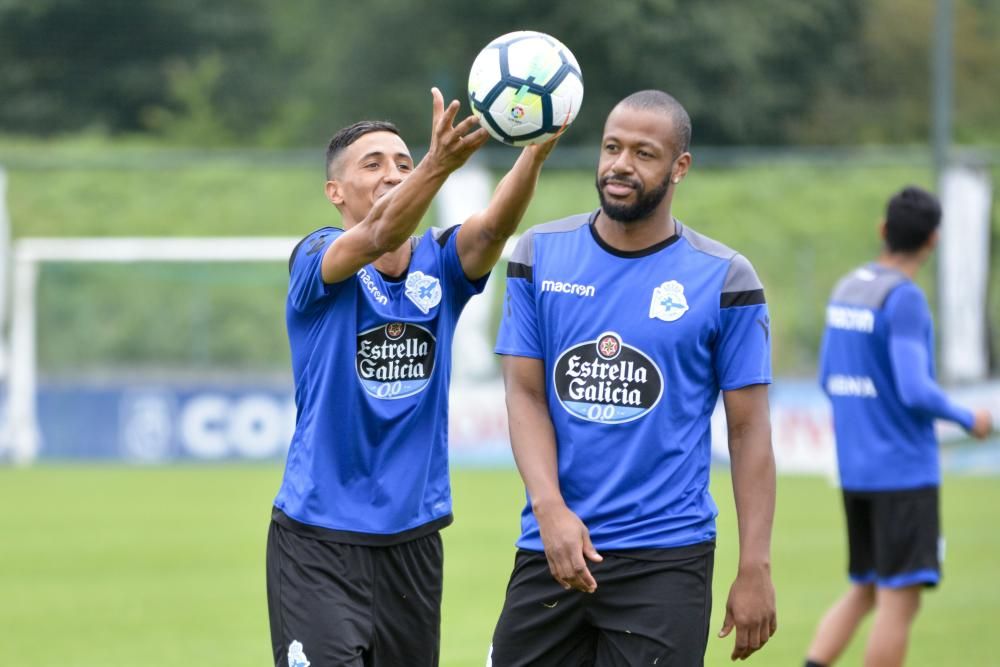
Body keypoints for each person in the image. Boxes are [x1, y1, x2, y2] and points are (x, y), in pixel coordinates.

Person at [266, 88, 556, 667]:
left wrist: (536, 149)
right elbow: (375, 236)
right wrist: (437, 164)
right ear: (335, 193)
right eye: (372, 165)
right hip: (318, 540)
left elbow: (496, 226)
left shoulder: (441, 264)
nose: (393, 173)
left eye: (403, 162)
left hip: (414, 543)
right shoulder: (316, 258)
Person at [488, 89, 777, 666]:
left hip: (666, 560)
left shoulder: (725, 279)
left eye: (644, 153)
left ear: (679, 167)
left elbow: (748, 433)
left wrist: (755, 567)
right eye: (611, 147)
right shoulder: (538, 255)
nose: (620, 164)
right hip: (553, 547)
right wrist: (550, 509)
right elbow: (524, 395)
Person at [804, 186, 993, 667]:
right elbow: (914, 389)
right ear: (933, 241)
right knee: (899, 602)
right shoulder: (903, 298)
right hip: (903, 476)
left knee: (865, 588)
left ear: (882, 230)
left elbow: (829, 378)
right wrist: (968, 418)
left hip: (856, 471)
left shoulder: (848, 287)